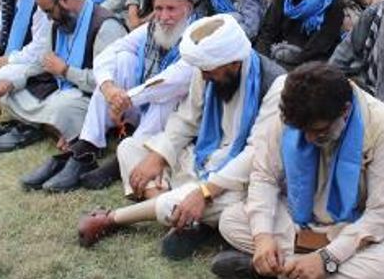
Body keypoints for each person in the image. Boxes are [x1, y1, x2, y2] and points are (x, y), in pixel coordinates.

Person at [76, 15, 286, 259]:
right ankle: (183, 219)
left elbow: (255, 155)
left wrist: (204, 193)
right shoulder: (208, 69)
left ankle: (114, 219)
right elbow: (187, 119)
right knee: (129, 148)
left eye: (209, 72)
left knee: (225, 206)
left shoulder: (275, 86)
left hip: (236, 180)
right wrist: (158, 157)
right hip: (201, 158)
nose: (203, 77)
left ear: (234, 64)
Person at [212, 62, 384, 279]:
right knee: (231, 220)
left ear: (345, 111)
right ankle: (296, 267)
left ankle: (277, 268)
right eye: (301, 131)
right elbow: (265, 176)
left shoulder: (383, 127)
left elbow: (381, 213)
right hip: (299, 222)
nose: (308, 139)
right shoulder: (292, 112)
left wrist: (328, 258)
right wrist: (263, 238)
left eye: (318, 131)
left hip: (352, 229)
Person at [21, 0, 199, 193]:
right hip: (137, 103)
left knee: (166, 96)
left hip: (174, 113)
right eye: (158, 8)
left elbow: (172, 81)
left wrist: (125, 99)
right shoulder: (151, 28)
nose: (163, 16)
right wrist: (108, 87)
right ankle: (87, 145)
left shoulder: (196, 36)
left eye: (171, 9)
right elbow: (109, 53)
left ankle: (123, 159)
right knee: (122, 59)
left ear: (188, 8)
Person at [0, 0, 126, 153]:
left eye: (49, 11)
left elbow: (108, 84)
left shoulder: (105, 26)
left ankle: (40, 125)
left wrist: (66, 71)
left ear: (63, 0)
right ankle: (50, 128)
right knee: (5, 79)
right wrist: (11, 83)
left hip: (92, 99)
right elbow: (44, 63)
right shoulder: (59, 21)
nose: (49, 18)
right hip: (59, 87)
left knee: (63, 107)